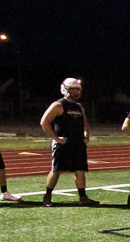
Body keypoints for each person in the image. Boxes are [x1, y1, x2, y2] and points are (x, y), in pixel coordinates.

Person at [40, 78, 99, 206]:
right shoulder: (58, 105)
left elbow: (85, 123)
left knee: (80, 169)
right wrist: (56, 138)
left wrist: (86, 136)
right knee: (57, 170)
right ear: (65, 89)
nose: (75, 92)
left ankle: (83, 197)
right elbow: (44, 122)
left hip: (77, 143)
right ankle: (47, 196)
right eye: (73, 89)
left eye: (77, 89)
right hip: (63, 143)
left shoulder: (79, 107)